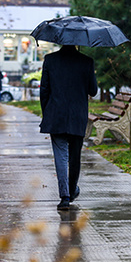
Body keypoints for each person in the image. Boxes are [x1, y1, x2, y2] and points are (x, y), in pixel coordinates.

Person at [39, 45, 98, 210]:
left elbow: (44, 90)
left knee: (61, 157)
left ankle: (65, 196)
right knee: (74, 157)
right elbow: (93, 91)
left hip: (56, 116)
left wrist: (47, 112)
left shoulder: (50, 60)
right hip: (77, 116)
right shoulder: (86, 61)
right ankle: (72, 191)